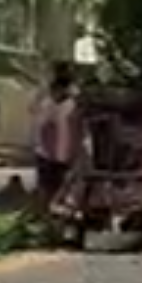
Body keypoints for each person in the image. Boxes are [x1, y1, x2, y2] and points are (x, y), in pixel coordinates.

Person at [33, 74, 80, 208]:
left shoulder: (73, 106)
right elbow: (41, 127)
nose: (56, 93)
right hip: (47, 155)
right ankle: (45, 213)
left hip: (65, 156)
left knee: (63, 189)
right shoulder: (47, 105)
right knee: (48, 188)